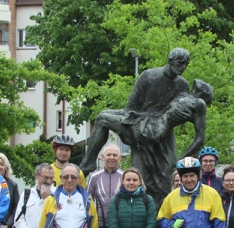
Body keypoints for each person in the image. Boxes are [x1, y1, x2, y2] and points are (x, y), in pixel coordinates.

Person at [80, 70, 213, 206]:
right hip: (149, 122)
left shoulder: (199, 104)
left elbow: (200, 139)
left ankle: (88, 164)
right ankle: (88, 163)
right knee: (103, 115)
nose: (201, 82)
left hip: (152, 131)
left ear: (204, 93)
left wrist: (181, 159)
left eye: (205, 85)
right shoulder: (184, 94)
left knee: (102, 119)